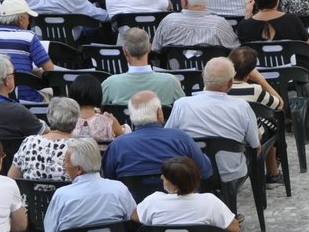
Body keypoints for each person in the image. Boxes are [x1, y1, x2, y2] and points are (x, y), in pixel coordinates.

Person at [166, 59, 260, 206]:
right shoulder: (242, 107)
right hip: (229, 171)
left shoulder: (181, 104)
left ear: (203, 77)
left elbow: (169, 137)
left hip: (192, 171)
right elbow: (255, 144)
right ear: (230, 83)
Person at [101, 28, 186, 107]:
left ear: (125, 52)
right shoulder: (171, 81)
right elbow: (183, 110)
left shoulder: (110, 84)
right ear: (149, 48)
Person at [9, 97, 79, 182]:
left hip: (32, 195)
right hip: (66, 195)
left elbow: (12, 178)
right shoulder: (79, 147)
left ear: (49, 117)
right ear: (76, 120)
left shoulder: (29, 142)